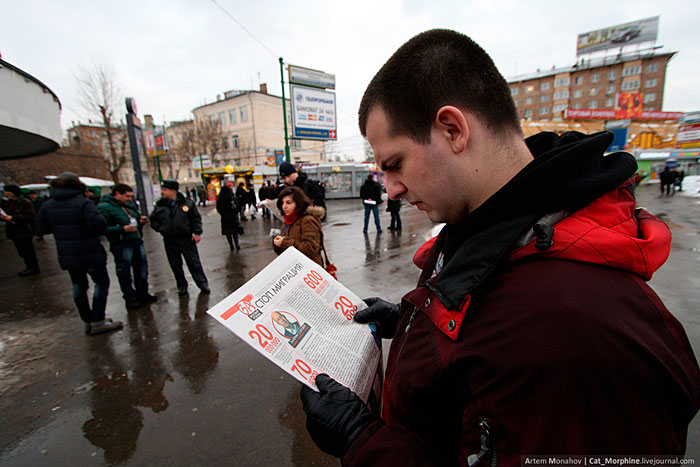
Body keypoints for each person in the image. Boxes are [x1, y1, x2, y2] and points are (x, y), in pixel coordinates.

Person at [299, 29, 700, 464]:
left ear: (453, 130)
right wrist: (415, 322)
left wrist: (362, 441)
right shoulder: (482, 223)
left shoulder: (572, 330)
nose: (390, 188)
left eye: (394, 164)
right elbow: (489, 336)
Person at [36, 173, 122, 335]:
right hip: (90, 251)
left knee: (78, 286)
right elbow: (99, 225)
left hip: (67, 253)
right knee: (101, 283)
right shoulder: (83, 203)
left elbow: (41, 228)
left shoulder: (48, 205)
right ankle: (98, 320)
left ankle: (88, 319)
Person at [97, 183, 158, 309]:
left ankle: (143, 293)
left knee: (141, 269)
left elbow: (134, 216)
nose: (129, 199)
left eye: (130, 196)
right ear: (117, 194)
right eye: (127, 196)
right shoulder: (104, 207)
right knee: (124, 272)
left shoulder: (129, 205)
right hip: (121, 243)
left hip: (136, 240)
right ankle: (130, 297)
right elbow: (101, 228)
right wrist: (121, 229)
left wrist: (140, 220)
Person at [150, 180, 209, 296]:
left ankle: (202, 284)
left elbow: (195, 218)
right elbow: (153, 220)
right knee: (175, 265)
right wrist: (162, 229)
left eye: (164, 190)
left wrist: (197, 233)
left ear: (173, 191)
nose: (162, 192)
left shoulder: (187, 203)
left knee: (194, 263)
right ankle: (182, 286)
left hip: (186, 239)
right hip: (170, 240)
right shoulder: (160, 205)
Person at [272, 186, 324, 266]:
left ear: (298, 203)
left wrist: (284, 242)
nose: (284, 206)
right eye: (282, 203)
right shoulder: (288, 221)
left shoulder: (307, 220)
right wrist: (277, 244)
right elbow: (285, 252)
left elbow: (311, 249)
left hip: (309, 268)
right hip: (295, 267)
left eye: (289, 203)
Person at [1, 185, 40, 275]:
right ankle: (29, 266)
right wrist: (4, 217)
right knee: (21, 251)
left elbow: (30, 216)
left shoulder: (24, 202)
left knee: (28, 250)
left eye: (5, 191)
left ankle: (33, 268)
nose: (4, 193)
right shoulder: (9, 202)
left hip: (24, 230)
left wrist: (13, 218)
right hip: (14, 231)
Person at [216, 184, 240, 251]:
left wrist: (223, 214)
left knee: (228, 233)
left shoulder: (219, 199)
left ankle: (231, 245)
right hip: (232, 217)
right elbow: (237, 206)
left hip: (224, 218)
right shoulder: (231, 198)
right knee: (234, 231)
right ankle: (237, 244)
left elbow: (218, 208)